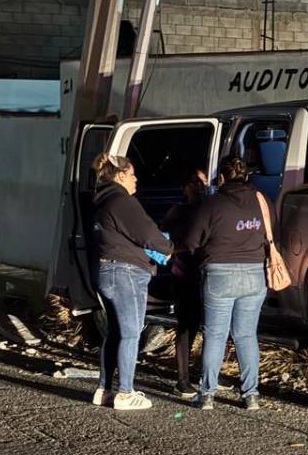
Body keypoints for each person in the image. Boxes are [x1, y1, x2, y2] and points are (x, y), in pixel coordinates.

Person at [185, 155, 270, 411]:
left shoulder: (211, 204)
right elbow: (270, 232)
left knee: (216, 335)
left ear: (221, 177)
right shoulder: (260, 201)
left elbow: (192, 241)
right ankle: (251, 395)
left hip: (219, 274)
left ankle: (207, 394)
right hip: (255, 274)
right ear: (245, 176)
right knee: (246, 335)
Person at [90, 152, 174, 411]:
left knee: (115, 332)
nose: (136, 180)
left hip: (107, 271)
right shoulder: (121, 200)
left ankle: (104, 389)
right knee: (130, 333)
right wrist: (168, 247)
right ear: (121, 175)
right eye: (133, 174)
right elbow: (147, 232)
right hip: (126, 273)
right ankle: (126, 393)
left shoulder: (101, 201)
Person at [160, 168, 209, 399]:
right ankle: (182, 379)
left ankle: (205, 374)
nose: (199, 185)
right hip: (184, 275)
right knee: (187, 326)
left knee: (209, 327)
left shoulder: (210, 208)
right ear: (185, 187)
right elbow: (162, 240)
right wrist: (179, 250)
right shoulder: (178, 211)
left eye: (202, 180)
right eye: (193, 181)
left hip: (207, 274)